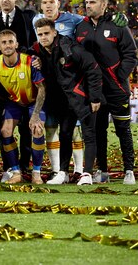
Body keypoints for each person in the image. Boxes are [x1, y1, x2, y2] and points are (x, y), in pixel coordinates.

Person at [76, 0, 137, 185]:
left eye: (92, 2)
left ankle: (129, 170)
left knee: (123, 130)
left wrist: (119, 77)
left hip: (117, 90)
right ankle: (102, 170)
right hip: (95, 92)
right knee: (99, 130)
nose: (88, 6)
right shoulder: (81, 27)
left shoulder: (118, 25)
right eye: (86, 2)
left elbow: (130, 54)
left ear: (103, 5)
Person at [32, 18, 103, 185]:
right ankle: (63, 172)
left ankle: (87, 174)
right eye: (40, 34)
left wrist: (94, 97)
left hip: (83, 98)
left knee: (89, 135)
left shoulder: (69, 48)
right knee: (65, 134)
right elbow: (23, 51)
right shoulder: (40, 51)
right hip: (64, 102)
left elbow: (93, 68)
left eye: (46, 33)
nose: (43, 37)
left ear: (55, 32)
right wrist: (34, 57)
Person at [32, 0, 86, 177]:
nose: (48, 6)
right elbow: (38, 46)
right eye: (45, 2)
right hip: (51, 82)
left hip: (71, 82)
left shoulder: (73, 19)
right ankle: (57, 171)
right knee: (51, 128)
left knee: (74, 130)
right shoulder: (36, 21)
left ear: (58, 3)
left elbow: (89, 27)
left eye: (51, 2)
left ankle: (79, 170)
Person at [0, 29, 47, 184]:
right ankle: (16, 172)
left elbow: (42, 88)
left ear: (16, 44)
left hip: (33, 101)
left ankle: (36, 173)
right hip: (14, 102)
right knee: (5, 131)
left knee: (37, 129)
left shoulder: (29, 61)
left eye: (11, 41)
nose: (8, 45)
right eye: (4, 42)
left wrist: (36, 114)